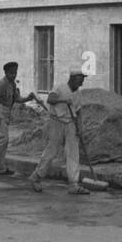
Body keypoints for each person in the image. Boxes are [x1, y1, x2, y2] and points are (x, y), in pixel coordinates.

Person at [29, 67, 89, 195]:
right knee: (52, 150)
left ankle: (73, 184)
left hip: (70, 123)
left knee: (73, 152)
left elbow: (78, 111)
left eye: (83, 79)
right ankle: (36, 177)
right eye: (80, 79)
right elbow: (50, 99)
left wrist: (80, 127)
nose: (82, 82)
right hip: (56, 121)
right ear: (72, 78)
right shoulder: (60, 88)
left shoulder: (78, 93)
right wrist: (62, 100)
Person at [0, 61, 36, 177]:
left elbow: (17, 99)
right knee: (2, 140)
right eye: (11, 73)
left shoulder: (12, 84)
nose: (13, 75)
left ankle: (0, 168)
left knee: (3, 142)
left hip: (5, 113)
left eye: (15, 73)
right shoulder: (2, 84)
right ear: (6, 73)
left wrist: (28, 98)